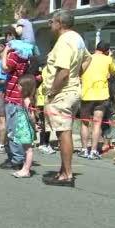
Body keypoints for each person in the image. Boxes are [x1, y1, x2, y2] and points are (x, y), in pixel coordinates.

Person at [43, 10, 91, 187]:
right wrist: (77, 74)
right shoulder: (77, 37)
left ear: (59, 23)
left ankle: (67, 175)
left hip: (62, 93)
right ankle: (63, 171)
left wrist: (53, 91)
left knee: (64, 133)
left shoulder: (64, 41)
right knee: (64, 131)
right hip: (73, 90)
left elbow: (62, 71)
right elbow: (88, 58)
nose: (50, 25)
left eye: (51, 21)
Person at [79, 41, 115, 160]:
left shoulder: (87, 57)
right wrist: (110, 57)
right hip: (101, 95)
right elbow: (114, 72)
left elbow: (79, 72)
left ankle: (84, 149)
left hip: (86, 94)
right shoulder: (108, 59)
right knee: (97, 123)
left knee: (84, 123)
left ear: (96, 48)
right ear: (106, 50)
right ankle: (94, 151)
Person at [0, 25, 30, 169]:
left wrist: (5, 53)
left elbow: (5, 68)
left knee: (13, 130)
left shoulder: (15, 52)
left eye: (7, 36)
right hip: (19, 94)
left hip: (14, 96)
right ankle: (15, 156)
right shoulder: (26, 51)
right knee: (14, 128)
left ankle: (16, 159)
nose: (6, 39)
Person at [12, 75, 37, 178]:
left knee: (28, 149)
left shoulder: (27, 101)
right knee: (24, 149)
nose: (18, 86)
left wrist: (34, 126)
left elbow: (31, 116)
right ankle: (24, 168)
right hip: (22, 127)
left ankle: (26, 170)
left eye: (20, 85)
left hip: (26, 128)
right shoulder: (23, 99)